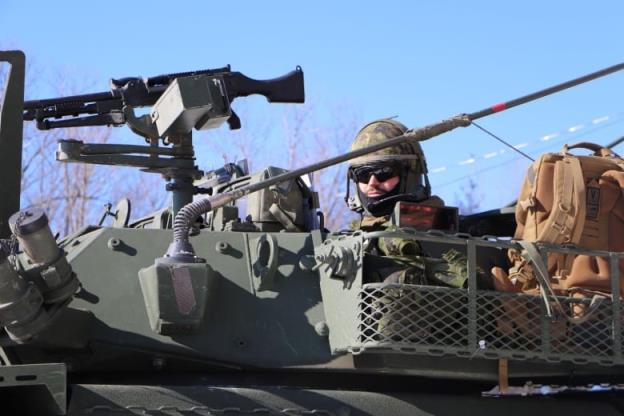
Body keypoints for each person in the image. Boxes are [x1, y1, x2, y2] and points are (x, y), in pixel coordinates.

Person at [346, 118, 470, 288]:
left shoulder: (440, 228)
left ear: (410, 174)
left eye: (383, 172)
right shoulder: (353, 237)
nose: (372, 183)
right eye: (363, 175)